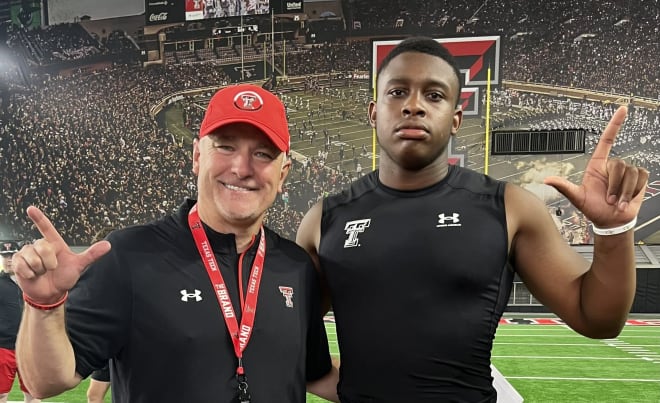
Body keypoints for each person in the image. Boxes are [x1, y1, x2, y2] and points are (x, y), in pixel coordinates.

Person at [296, 36, 649, 402]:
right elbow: (289, 334)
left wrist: (613, 228)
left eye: (434, 96)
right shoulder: (325, 220)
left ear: (455, 119)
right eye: (397, 92)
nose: (413, 106)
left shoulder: (509, 207)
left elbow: (597, 318)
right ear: (373, 111)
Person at [13, 84, 339, 402]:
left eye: (263, 154)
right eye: (225, 147)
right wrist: (44, 304)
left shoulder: (296, 268)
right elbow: (45, 382)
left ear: (282, 175)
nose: (242, 168)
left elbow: (316, 373)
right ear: (198, 156)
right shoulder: (128, 257)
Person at [0, 241, 40, 403]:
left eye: (12, 255)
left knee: (34, 393)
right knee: (1, 394)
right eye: (5, 256)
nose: (9, 259)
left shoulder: (33, 282)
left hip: (30, 347)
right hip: (3, 346)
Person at [85, 227, 117, 403]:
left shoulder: (131, 271)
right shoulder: (96, 277)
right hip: (107, 343)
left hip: (132, 343)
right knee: (93, 395)